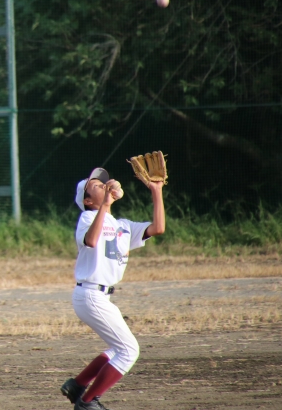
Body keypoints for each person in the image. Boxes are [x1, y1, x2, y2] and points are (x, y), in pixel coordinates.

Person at [60, 167, 165, 410]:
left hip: (101, 298)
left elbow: (158, 228)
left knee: (117, 349)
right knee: (129, 351)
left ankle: (77, 385)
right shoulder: (87, 218)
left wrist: (156, 190)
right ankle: (87, 403)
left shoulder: (123, 225)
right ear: (88, 201)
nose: (104, 185)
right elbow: (91, 240)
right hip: (89, 294)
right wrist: (106, 205)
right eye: (96, 185)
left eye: (104, 183)